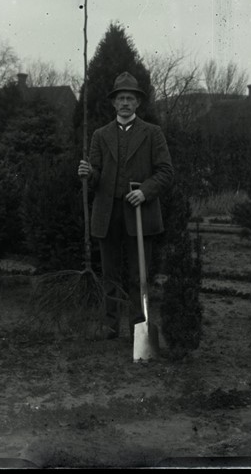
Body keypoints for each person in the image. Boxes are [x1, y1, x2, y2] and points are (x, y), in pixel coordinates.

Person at [78, 71, 174, 340]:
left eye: (130, 98)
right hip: (107, 214)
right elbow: (96, 177)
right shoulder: (99, 135)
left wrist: (145, 192)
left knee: (137, 275)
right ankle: (109, 326)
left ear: (138, 103)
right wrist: (87, 173)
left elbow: (166, 172)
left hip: (139, 214)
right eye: (120, 98)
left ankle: (137, 329)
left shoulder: (153, 134)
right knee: (109, 274)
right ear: (113, 103)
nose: (125, 103)